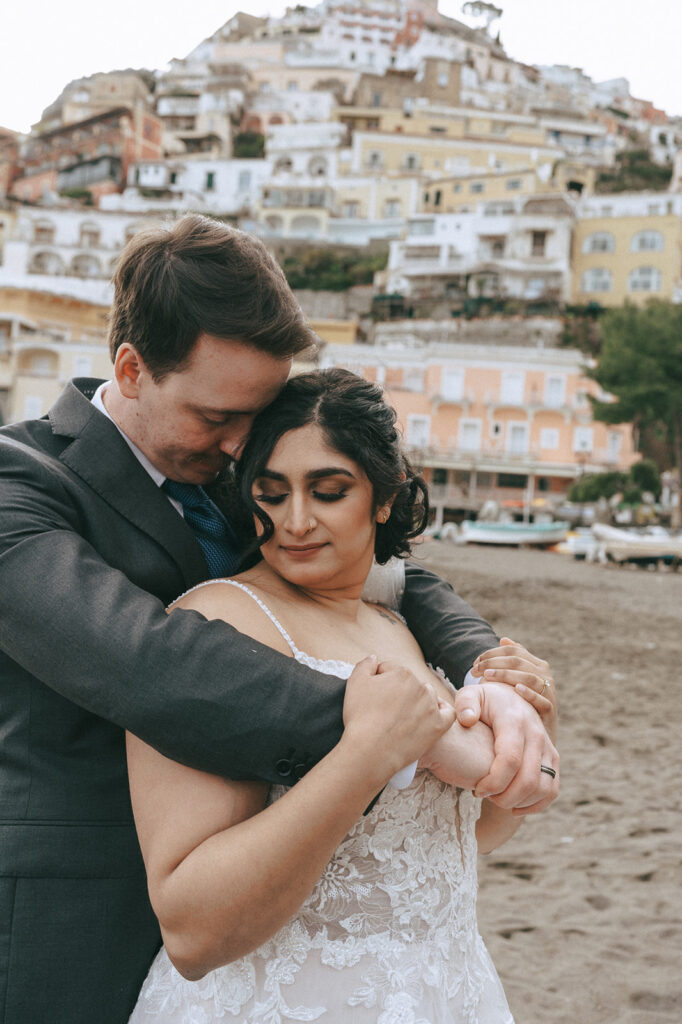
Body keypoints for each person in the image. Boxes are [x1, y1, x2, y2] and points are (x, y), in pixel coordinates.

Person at [0, 215, 557, 1024]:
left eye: (252, 421)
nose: (238, 450)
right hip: (75, 912)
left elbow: (388, 577)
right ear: (130, 367)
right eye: (218, 417)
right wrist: (412, 732)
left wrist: (483, 671)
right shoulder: (20, 485)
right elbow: (146, 663)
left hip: (269, 893)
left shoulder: (234, 475)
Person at [128, 368, 558, 1023]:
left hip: (447, 990)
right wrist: (369, 755)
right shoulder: (224, 623)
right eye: (271, 494)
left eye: (327, 491)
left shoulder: (400, 626)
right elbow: (192, 927)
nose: (295, 522)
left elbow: (447, 848)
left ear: (383, 498)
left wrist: (526, 741)